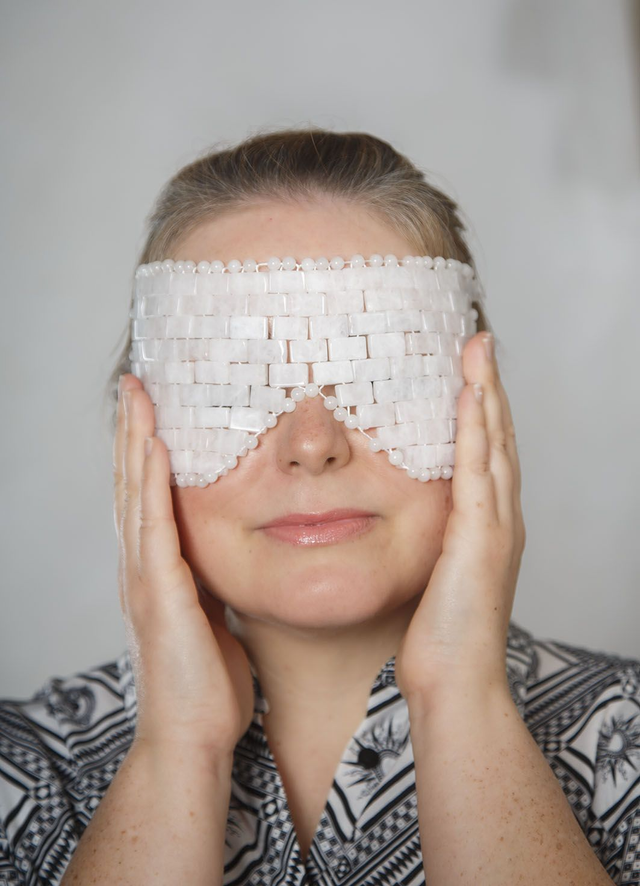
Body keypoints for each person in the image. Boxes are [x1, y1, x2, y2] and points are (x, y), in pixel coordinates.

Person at [0, 128, 638, 886]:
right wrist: (177, 750)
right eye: (233, 384)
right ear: (138, 434)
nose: (312, 443)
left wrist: (463, 702)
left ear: (481, 405)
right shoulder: (24, 774)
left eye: (380, 370)